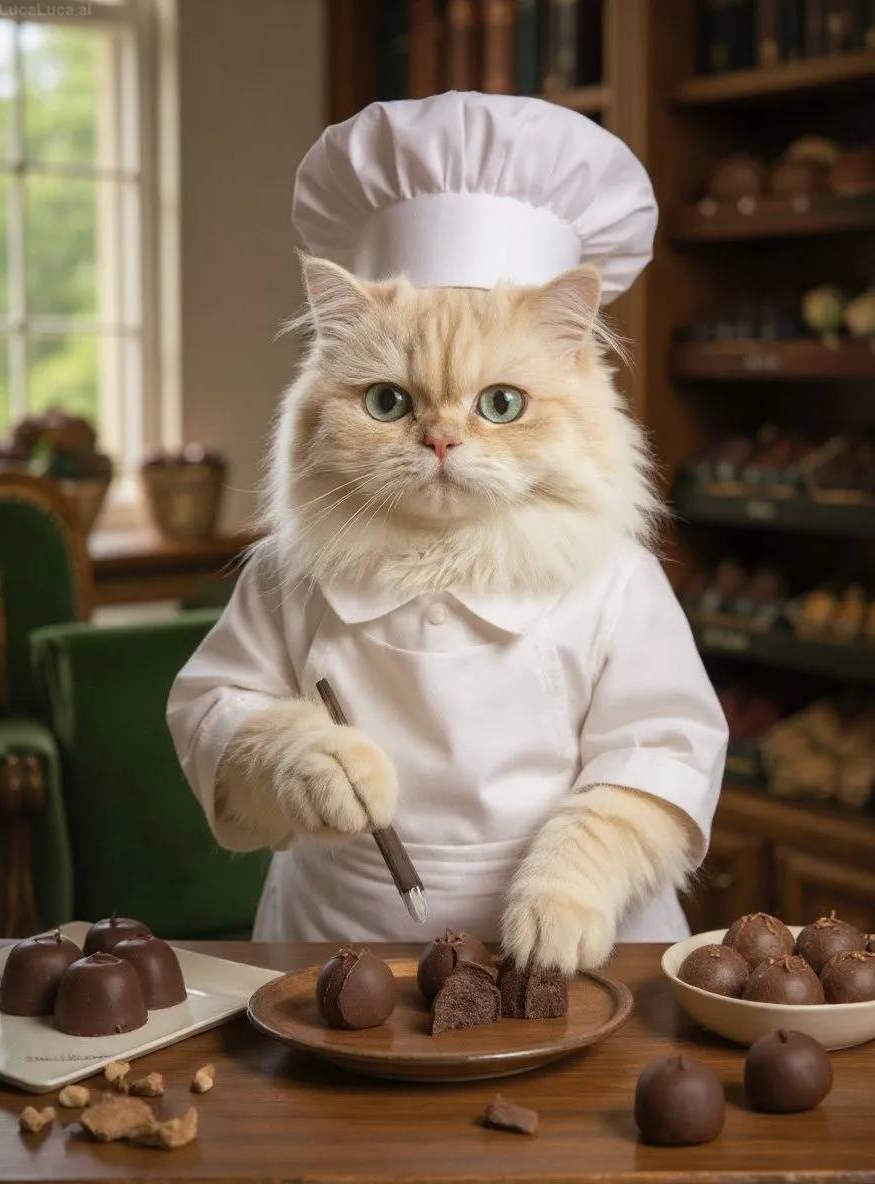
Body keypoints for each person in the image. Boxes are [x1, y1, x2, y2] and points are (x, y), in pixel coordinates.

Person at [167, 92, 727, 972]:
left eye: (500, 403)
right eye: (389, 400)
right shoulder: (288, 575)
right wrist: (285, 755)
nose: (442, 439)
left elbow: (669, 749)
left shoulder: (615, 579)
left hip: (580, 960)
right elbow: (211, 708)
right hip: (333, 945)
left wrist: (582, 873)